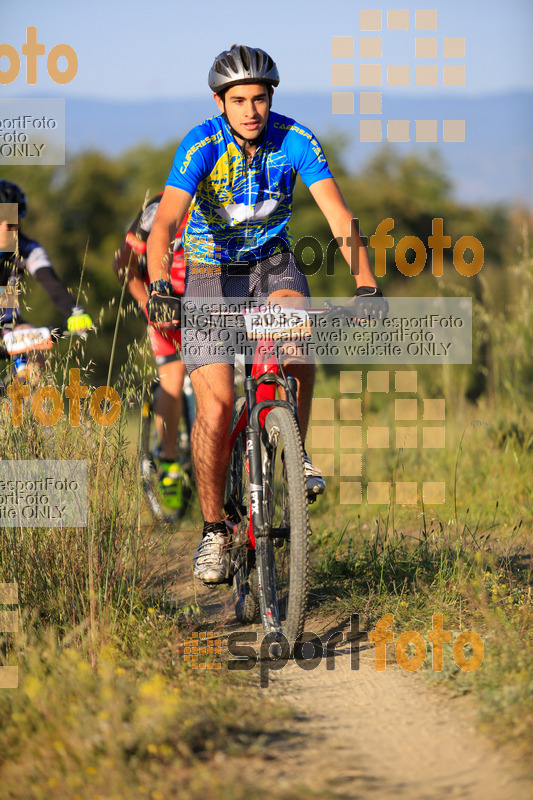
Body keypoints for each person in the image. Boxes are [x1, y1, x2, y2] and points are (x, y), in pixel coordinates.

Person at [146, 45, 387, 583]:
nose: (251, 110)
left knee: (296, 331)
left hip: (271, 266)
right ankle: (213, 532)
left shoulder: (295, 140)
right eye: (239, 100)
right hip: (208, 273)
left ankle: (293, 450)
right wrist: (162, 283)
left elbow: (339, 216)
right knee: (216, 407)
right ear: (220, 102)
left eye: (260, 98)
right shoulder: (201, 143)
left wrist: (366, 285)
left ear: (271, 98)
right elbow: (163, 225)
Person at [114, 193, 188, 508]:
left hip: (213, 302)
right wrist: (148, 304)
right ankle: (169, 463)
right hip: (166, 304)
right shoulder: (159, 207)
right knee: (174, 375)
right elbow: (124, 264)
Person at [0, 179, 93, 373]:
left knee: (35, 358)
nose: (10, 229)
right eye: (4, 222)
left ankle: (22, 400)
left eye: (15, 222)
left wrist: (74, 312)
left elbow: (51, 283)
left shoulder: (27, 248)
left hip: (9, 325)